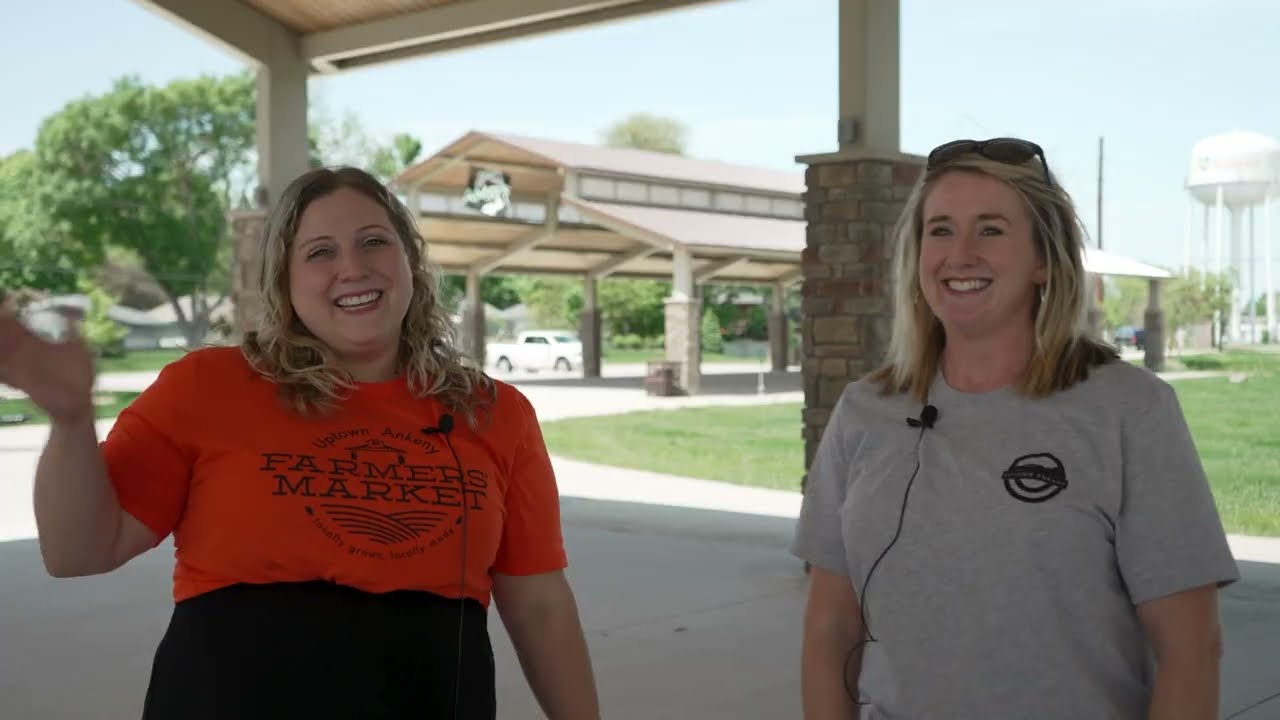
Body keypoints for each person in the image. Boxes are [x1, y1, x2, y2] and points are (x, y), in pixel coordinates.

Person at [2, 166, 601, 720]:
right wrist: (71, 420)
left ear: (410, 262)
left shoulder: (495, 413)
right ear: (285, 282)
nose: (353, 267)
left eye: (374, 241)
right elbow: (77, 552)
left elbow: (540, 604)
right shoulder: (208, 385)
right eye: (320, 252)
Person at [792, 138, 1239, 720]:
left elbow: (1192, 649)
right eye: (941, 230)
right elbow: (830, 627)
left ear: (1044, 260)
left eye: (992, 230)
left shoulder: (1130, 410)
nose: (961, 254)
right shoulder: (864, 410)